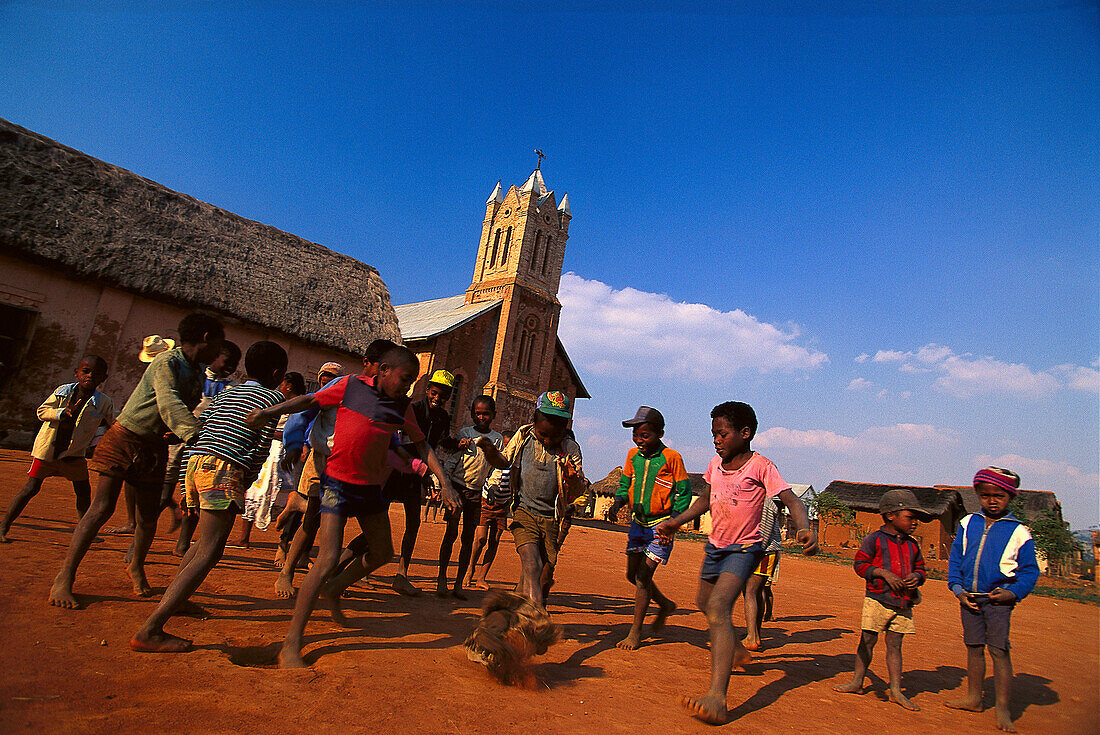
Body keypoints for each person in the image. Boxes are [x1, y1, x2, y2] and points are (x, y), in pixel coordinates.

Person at [245, 345, 458, 668]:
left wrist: (444, 481)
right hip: (337, 484)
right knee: (328, 556)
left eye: (413, 381)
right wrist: (271, 413)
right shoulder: (351, 386)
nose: (409, 387)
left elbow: (421, 444)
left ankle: (336, 588)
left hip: (370, 489)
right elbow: (309, 402)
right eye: (405, 379)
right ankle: (292, 642)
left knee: (383, 552)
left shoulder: (401, 406)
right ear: (383, 370)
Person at [654, 401, 817, 725]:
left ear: (745, 433)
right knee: (703, 601)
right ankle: (736, 651)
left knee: (718, 607)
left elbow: (791, 500)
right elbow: (706, 499)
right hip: (715, 546)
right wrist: (677, 521)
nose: (716, 439)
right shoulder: (716, 463)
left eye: (722, 433)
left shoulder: (761, 466)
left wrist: (803, 527)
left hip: (744, 550)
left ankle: (717, 698)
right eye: (714, 434)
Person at [47, 313, 224, 609]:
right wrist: (194, 434)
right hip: (125, 438)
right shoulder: (166, 362)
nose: (219, 350)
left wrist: (173, 432)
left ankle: (136, 566)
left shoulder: (195, 372)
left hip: (153, 445)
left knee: (147, 518)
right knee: (100, 509)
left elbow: (178, 409)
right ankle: (64, 577)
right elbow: (168, 401)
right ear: (206, 338)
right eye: (218, 342)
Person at [130, 341, 288, 652]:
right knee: (211, 549)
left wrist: (184, 476)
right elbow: (260, 445)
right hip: (224, 469)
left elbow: (203, 428)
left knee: (202, 543)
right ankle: (151, 629)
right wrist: (248, 476)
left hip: (196, 464)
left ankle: (179, 599)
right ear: (276, 373)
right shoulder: (272, 399)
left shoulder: (227, 392)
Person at [945, 467, 1039, 733]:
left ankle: (1003, 709)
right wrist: (957, 589)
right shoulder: (967, 523)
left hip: (998, 601)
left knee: (998, 650)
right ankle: (974, 698)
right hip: (969, 598)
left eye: (999, 495)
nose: (992, 500)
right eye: (985, 495)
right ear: (977, 494)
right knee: (973, 647)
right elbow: (956, 560)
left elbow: (1030, 571)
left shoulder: (1019, 531)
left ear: (1010, 496)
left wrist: (1013, 592)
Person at [478, 391, 587, 610]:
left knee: (538, 574)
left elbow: (577, 488)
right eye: (543, 434)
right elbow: (502, 461)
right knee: (532, 563)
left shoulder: (571, 449)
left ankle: (509, 617)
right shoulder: (523, 436)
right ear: (533, 421)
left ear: (565, 430)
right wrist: (489, 450)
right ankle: (536, 612)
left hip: (551, 520)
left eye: (553, 437)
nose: (547, 440)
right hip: (524, 511)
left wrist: (572, 478)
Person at [604, 406, 691, 650]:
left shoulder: (672, 457)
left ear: (660, 433)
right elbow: (624, 484)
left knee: (643, 577)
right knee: (632, 575)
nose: (639, 440)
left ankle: (635, 631)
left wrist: (672, 522)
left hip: (661, 526)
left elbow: (684, 493)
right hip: (638, 525)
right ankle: (664, 603)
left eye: (645, 435)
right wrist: (617, 502)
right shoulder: (632, 456)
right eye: (636, 435)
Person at [833, 488, 929, 710]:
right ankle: (858, 681)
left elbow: (922, 569)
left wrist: (916, 576)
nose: (915, 523)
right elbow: (860, 565)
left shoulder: (913, 544)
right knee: (867, 640)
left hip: (903, 602)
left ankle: (895, 690)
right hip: (877, 599)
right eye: (910, 517)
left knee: (895, 645)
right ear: (890, 515)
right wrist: (883, 573)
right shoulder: (874, 540)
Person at [0, 356, 114, 542]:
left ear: (103, 378)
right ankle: (3, 526)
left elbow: (112, 421)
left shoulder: (103, 402)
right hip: (48, 453)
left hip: (73, 455)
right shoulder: (63, 393)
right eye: (85, 371)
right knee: (30, 488)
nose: (90, 376)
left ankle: (84, 531)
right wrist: (61, 413)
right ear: (76, 372)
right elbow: (42, 411)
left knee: (83, 492)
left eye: (97, 374)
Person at [385, 368, 458, 596]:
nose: (438, 398)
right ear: (427, 390)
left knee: (414, 522)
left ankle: (402, 573)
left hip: (419, 473)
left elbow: (443, 443)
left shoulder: (443, 417)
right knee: (377, 517)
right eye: (435, 393)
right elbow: (405, 441)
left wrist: (459, 445)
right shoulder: (413, 409)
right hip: (397, 469)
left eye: (444, 395)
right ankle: (357, 567)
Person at [272, 361, 344, 576]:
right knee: (314, 509)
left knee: (318, 511)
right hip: (310, 455)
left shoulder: (337, 398)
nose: (327, 379)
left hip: (325, 457)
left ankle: (302, 555)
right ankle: (283, 547)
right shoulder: (316, 398)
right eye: (325, 374)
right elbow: (301, 419)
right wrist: (298, 445)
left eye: (332, 376)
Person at [170, 341, 241, 556]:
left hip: (206, 444)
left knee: (197, 494)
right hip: (181, 437)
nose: (230, 366)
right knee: (174, 486)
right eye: (226, 360)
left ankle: (185, 542)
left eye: (234, 363)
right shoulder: (197, 378)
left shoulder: (231, 388)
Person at [103, 335, 174, 535]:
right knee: (133, 478)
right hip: (144, 431)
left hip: (151, 433)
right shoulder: (159, 372)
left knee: (148, 482)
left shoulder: (165, 373)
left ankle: (137, 523)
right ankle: (133, 522)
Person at [438, 395, 504, 599]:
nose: (481, 417)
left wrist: (490, 487)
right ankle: (442, 580)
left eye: (486, 414)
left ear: (493, 415)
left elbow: (495, 467)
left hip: (476, 494)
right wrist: (445, 483)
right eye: (478, 413)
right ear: (472, 413)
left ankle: (458, 584)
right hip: (457, 489)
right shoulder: (465, 434)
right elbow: (453, 459)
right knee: (450, 535)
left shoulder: (497, 439)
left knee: (468, 538)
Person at [232, 370, 306, 548]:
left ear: (288, 386)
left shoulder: (298, 407)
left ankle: (281, 541)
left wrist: (269, 432)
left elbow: (294, 431)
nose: (280, 387)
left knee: (274, 493)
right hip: (277, 453)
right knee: (257, 492)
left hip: (279, 454)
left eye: (282, 384)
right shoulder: (282, 403)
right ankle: (246, 538)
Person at [464, 435, 512, 591]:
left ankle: (481, 577)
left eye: (509, 445)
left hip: (503, 506)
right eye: (504, 445)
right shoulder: (494, 459)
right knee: (481, 539)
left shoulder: (515, 463)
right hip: (487, 502)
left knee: (494, 541)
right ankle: (469, 569)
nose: (505, 449)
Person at [742, 495, 784, 651]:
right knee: (754, 593)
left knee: (751, 592)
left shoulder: (765, 500)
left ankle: (752, 637)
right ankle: (755, 635)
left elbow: (763, 535)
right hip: (761, 551)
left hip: (762, 552)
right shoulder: (761, 498)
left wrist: (750, 553)